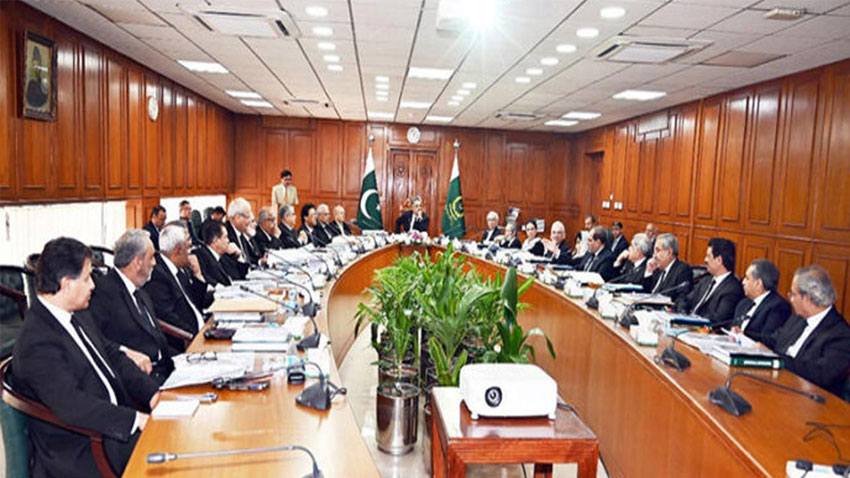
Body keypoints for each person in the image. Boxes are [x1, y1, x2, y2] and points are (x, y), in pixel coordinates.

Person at [10, 237, 160, 477]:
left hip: (112, 425)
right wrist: (135, 420)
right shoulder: (36, 342)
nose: (93, 285)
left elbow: (112, 355)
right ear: (67, 284)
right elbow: (73, 406)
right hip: (85, 447)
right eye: (88, 277)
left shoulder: (77, 313)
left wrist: (152, 393)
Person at [87, 230, 174, 385]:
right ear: (137, 262)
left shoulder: (141, 291)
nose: (155, 262)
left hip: (168, 371)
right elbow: (94, 340)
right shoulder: (102, 294)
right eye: (152, 257)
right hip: (140, 382)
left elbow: (156, 338)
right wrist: (125, 353)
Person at [769, 266, 850, 397]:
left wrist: (775, 358)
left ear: (807, 298)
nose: (791, 299)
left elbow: (821, 374)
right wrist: (746, 337)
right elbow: (775, 339)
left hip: (808, 400)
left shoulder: (841, 334)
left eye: (793, 294)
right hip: (777, 384)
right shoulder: (798, 318)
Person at [143, 223, 213, 347]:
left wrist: (198, 275)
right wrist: (197, 335)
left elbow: (196, 302)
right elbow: (168, 318)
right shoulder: (157, 276)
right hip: (186, 341)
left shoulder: (181, 269)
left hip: (203, 330)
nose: (191, 252)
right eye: (189, 247)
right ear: (178, 250)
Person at [676, 238, 743, 326]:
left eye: (708, 256)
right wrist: (682, 311)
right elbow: (685, 300)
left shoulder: (733, 289)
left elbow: (719, 319)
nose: (705, 260)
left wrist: (692, 320)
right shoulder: (705, 280)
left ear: (719, 260)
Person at [732, 259, 791, 348]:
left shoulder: (778, 306)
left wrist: (744, 334)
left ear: (758, 283)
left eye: (747, 278)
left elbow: (768, 339)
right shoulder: (744, 303)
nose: (743, 282)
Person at [641, 233, 692, 302]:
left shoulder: (682, 270)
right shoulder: (658, 269)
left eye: (658, 250)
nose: (654, 256)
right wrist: (649, 272)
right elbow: (645, 294)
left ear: (669, 252)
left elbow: (681, 300)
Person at [195, 221, 248, 286]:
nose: (228, 240)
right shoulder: (201, 256)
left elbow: (241, 274)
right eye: (225, 237)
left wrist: (239, 256)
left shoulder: (224, 256)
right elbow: (207, 280)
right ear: (215, 240)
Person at [225, 198, 262, 266]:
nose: (250, 220)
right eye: (248, 217)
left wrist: (260, 262)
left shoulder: (241, 233)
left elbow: (248, 258)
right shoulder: (226, 234)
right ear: (237, 217)